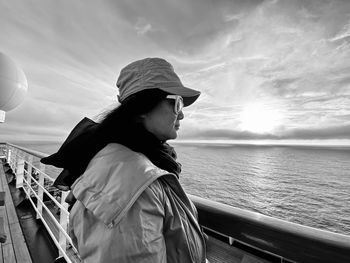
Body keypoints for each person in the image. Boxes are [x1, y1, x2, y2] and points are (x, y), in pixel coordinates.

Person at [44, 58, 207, 262]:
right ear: (142, 108)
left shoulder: (117, 157)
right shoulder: (135, 184)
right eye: (177, 103)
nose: (182, 115)